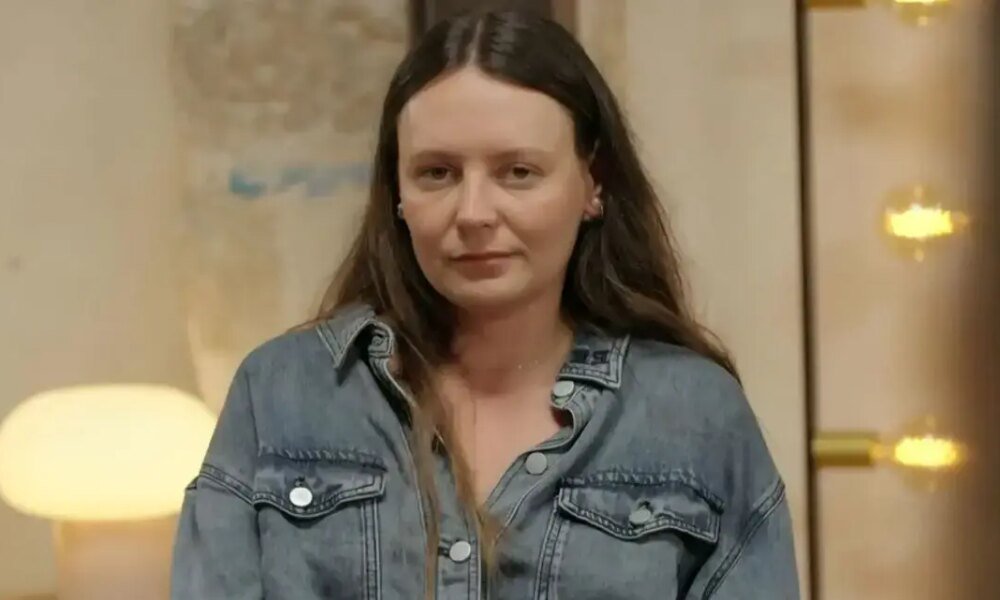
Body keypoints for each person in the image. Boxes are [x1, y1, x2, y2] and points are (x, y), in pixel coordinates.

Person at [170, 9, 799, 600]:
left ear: (593, 184)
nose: (473, 213)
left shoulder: (693, 416)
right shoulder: (280, 394)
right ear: (397, 193)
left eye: (517, 172)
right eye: (437, 173)